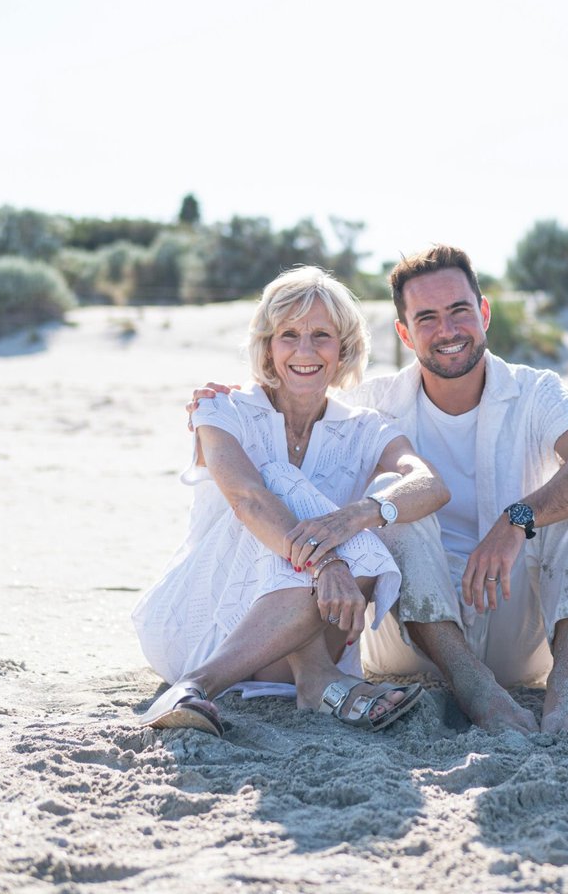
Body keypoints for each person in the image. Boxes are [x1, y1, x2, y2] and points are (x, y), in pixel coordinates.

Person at [192, 245, 568, 734]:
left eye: (460, 311)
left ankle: (566, 696)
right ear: (404, 332)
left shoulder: (536, 391)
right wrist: (224, 403)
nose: (447, 331)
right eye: (427, 318)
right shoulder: (371, 405)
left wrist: (515, 520)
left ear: (483, 313)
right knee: (390, 494)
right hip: (409, 637)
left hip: (514, 621)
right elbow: (295, 404)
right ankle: (475, 690)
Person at [134, 266, 450, 736]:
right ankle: (205, 684)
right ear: (267, 345)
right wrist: (327, 564)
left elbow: (429, 483)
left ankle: (307, 679)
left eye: (321, 335)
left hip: (295, 633)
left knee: (367, 531)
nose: (304, 351)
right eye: (288, 335)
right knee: (281, 481)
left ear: (343, 347)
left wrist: (361, 514)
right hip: (202, 627)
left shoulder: (366, 427)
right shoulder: (222, 409)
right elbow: (248, 498)